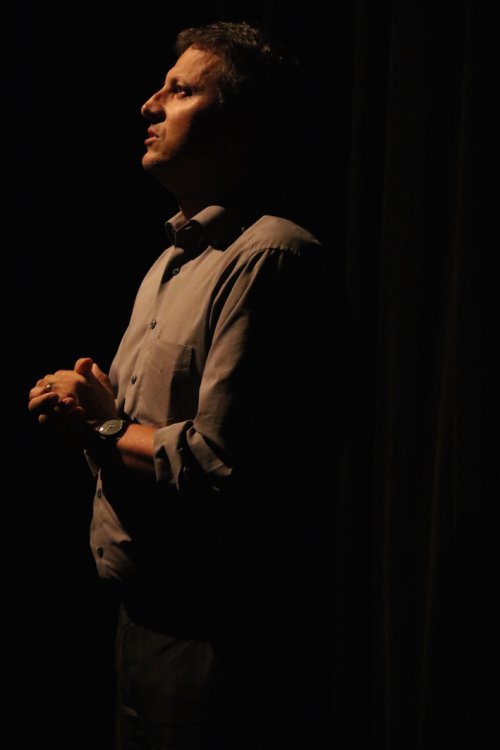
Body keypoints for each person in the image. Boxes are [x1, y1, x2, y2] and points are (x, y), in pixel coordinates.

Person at [28, 21, 348, 750]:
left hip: (218, 641)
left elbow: (223, 464)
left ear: (241, 123)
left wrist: (105, 426)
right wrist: (85, 409)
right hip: (138, 621)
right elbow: (137, 437)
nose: (149, 104)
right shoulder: (170, 263)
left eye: (179, 90)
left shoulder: (269, 259)